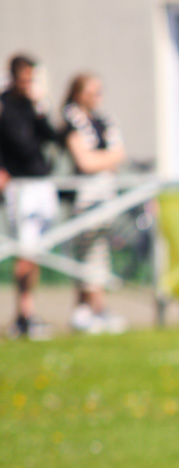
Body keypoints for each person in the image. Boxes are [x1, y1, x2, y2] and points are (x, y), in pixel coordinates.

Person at [61, 73, 127, 334]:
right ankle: (95, 309)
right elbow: (85, 162)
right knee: (87, 253)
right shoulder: (71, 121)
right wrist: (106, 160)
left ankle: (87, 309)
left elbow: (119, 153)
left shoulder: (104, 120)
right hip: (84, 197)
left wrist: (104, 159)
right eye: (91, 91)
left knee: (99, 253)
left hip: (105, 195)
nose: (97, 96)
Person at [0, 53, 58, 340]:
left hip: (41, 182)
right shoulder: (4, 105)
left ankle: (28, 312)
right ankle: (24, 313)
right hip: (18, 185)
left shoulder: (32, 105)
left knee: (34, 251)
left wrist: (41, 105)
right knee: (25, 249)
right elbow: (15, 144)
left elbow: (51, 137)